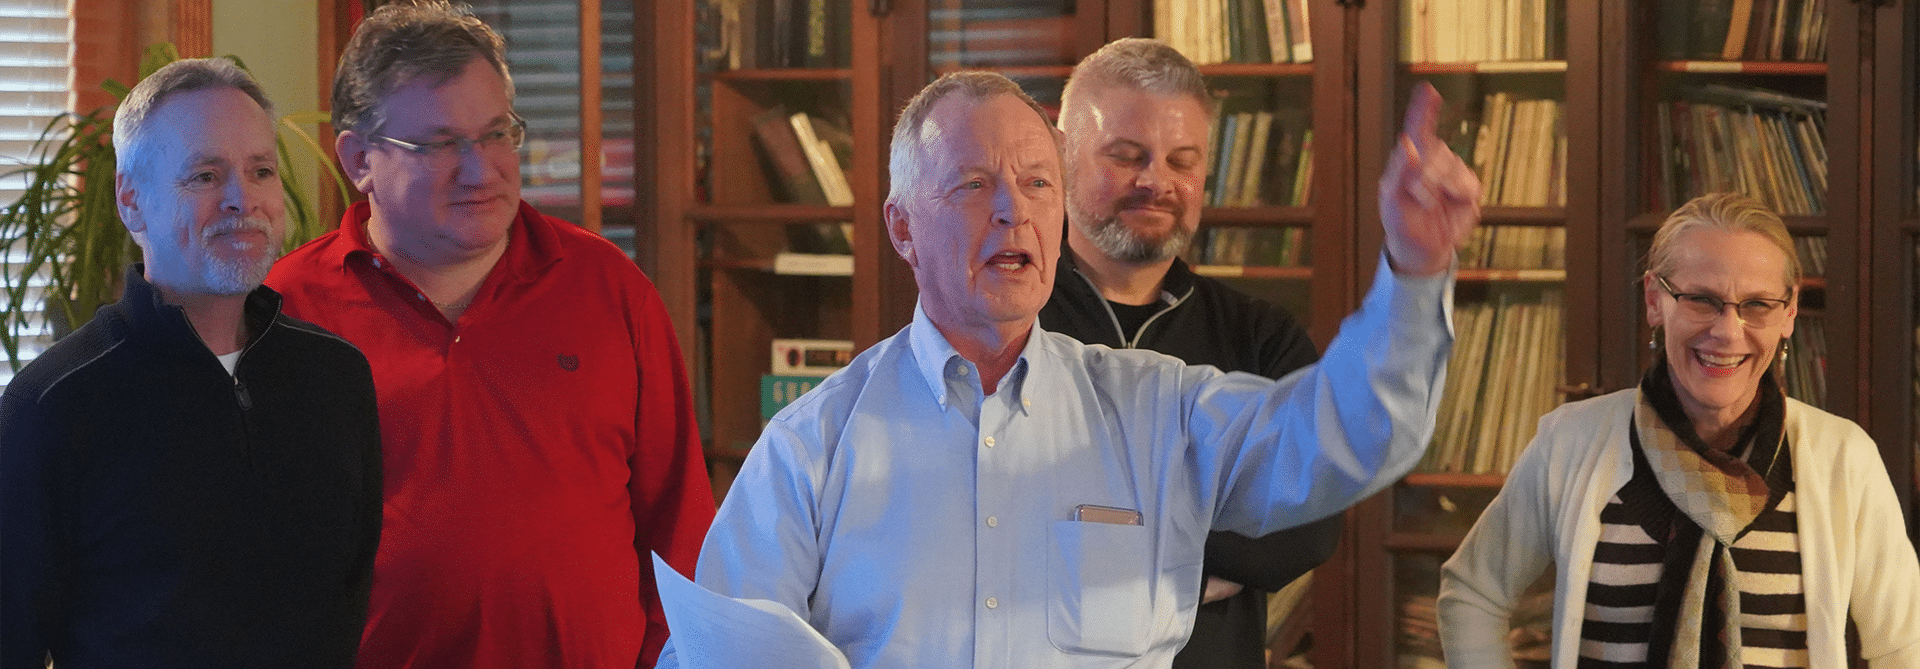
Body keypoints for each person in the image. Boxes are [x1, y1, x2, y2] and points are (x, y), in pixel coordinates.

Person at [660, 71, 1478, 668]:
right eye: (975, 185)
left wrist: (1414, 273)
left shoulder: (1160, 410)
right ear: (903, 229)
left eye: (1038, 182)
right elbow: (716, 654)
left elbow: (1350, 433)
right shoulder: (814, 444)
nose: (1014, 210)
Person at [263, 3, 713, 667]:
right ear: (359, 158)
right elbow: (258, 549)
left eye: (497, 134)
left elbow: (682, 525)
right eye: (441, 144)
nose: (482, 169)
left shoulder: (611, 290)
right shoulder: (286, 309)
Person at [0, 58, 382, 668]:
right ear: (132, 201)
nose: (242, 200)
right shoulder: (51, 408)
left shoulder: (336, 380)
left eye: (261, 171)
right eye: (205, 176)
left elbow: (347, 605)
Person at [1438, 193, 1920, 668]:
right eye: (1702, 300)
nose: (1729, 332)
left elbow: (1903, 645)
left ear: (1789, 312)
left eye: (1756, 304)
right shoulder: (1569, 443)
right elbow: (1473, 594)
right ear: (1654, 300)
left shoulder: (1844, 459)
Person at [1039, 38, 1340, 668]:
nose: (1157, 182)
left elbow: (1306, 525)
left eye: (1183, 160)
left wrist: (1085, 541)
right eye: (1126, 157)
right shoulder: (1007, 325)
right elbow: (978, 511)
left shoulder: (1262, 339)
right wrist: (1203, 523)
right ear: (1061, 156)